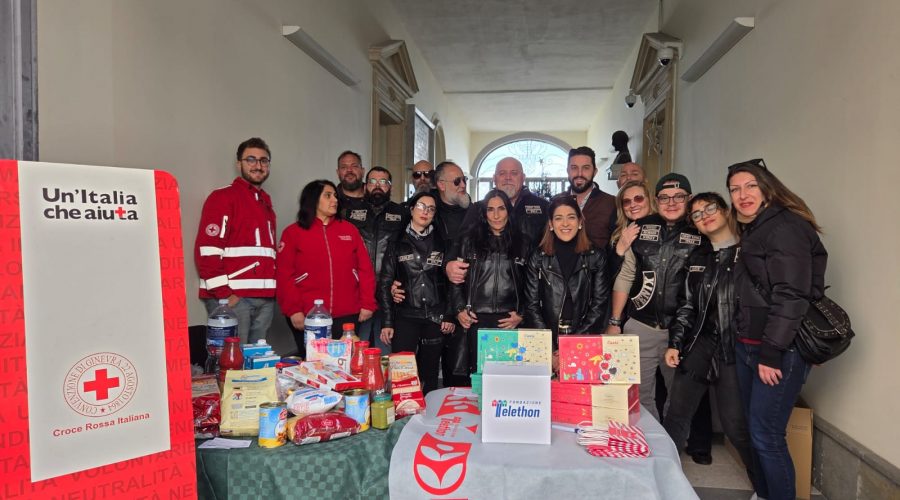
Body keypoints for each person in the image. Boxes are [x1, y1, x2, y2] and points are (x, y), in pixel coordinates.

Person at [728, 159, 826, 500]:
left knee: (766, 435)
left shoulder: (785, 227)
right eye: (735, 189)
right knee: (757, 431)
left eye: (750, 186)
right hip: (750, 343)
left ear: (768, 187)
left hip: (777, 349)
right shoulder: (757, 227)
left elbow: (791, 294)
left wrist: (771, 353)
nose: (742, 195)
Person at [663, 192, 762, 490]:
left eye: (709, 209)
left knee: (736, 427)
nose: (704, 216)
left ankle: (764, 487)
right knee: (676, 416)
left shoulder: (751, 251)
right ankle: (661, 483)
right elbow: (687, 305)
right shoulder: (699, 257)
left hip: (735, 347)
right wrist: (676, 343)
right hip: (700, 344)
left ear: (725, 210)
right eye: (696, 214)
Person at [606, 173, 702, 422]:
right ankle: (647, 443)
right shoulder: (639, 229)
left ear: (689, 199)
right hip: (641, 325)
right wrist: (615, 321)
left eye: (678, 197)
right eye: (665, 198)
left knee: (679, 400)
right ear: (656, 200)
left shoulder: (701, 231)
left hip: (682, 331)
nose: (671, 203)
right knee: (640, 399)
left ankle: (672, 443)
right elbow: (626, 276)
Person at [275, 180, 377, 356]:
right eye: (328, 196)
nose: (335, 200)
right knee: (312, 363)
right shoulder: (293, 233)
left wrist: (368, 303)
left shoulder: (350, 230)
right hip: (308, 315)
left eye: (335, 196)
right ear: (313, 200)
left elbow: (365, 269)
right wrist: (293, 310)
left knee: (345, 361)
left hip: (347, 312)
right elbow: (284, 275)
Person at [194, 137, 277, 344]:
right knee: (232, 359)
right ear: (239, 163)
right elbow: (207, 250)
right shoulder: (223, 197)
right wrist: (225, 295)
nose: (258, 166)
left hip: (264, 298)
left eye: (263, 160)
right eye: (251, 159)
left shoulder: (265, 202)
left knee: (256, 359)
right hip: (234, 298)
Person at [379, 192, 456, 394]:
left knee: (430, 372)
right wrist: (387, 322)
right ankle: (404, 409)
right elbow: (385, 282)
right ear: (412, 209)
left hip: (435, 315)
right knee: (402, 371)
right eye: (421, 206)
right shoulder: (396, 241)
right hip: (406, 315)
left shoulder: (443, 241)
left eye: (431, 209)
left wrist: (449, 315)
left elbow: (453, 283)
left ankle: (429, 410)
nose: (425, 212)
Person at [451, 189, 528, 376]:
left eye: (501, 209)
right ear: (484, 213)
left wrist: (522, 314)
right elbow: (456, 280)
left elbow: (532, 284)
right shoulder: (469, 240)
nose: (496, 215)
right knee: (478, 378)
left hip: (509, 320)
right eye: (490, 209)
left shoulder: (523, 242)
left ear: (508, 211)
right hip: (476, 319)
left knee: (509, 378)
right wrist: (459, 309)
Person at [524, 196, 610, 346]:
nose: (565, 223)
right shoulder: (537, 257)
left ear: (580, 222)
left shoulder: (596, 257)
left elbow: (599, 305)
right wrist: (548, 344)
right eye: (558, 218)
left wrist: (574, 344)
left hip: (584, 337)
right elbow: (531, 306)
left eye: (571, 217)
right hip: (546, 337)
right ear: (551, 224)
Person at [345, 167, 409, 351]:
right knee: (356, 346)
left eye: (383, 182)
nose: (378, 186)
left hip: (389, 290)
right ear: (366, 186)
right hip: (358, 290)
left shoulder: (402, 214)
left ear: (390, 187)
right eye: (373, 181)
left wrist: (401, 281)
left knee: (385, 348)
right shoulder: (349, 213)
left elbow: (408, 251)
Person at [455, 157, 549, 260]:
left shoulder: (544, 207)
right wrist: (448, 264)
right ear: (494, 178)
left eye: (514, 173)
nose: (508, 178)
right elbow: (460, 243)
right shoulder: (477, 208)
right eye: (502, 173)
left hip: (531, 268)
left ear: (523, 177)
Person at [556, 146, 617, 250]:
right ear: (567, 171)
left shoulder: (611, 203)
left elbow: (615, 247)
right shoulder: (556, 202)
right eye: (574, 168)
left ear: (595, 172)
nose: (579, 174)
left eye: (586, 168)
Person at [608, 180, 656, 279]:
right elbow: (607, 277)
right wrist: (619, 249)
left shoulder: (664, 228)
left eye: (638, 198)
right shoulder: (617, 234)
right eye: (626, 201)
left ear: (649, 200)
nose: (633, 205)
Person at [335, 150, 367, 216]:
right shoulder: (330, 200)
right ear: (338, 173)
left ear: (363, 171)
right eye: (344, 167)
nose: (349, 170)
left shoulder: (374, 198)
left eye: (354, 166)